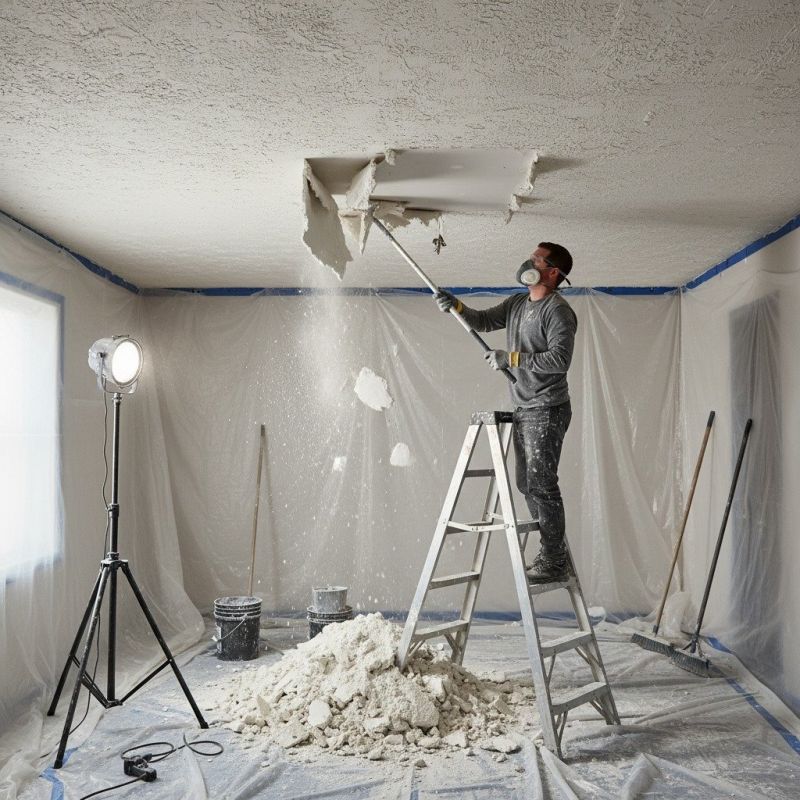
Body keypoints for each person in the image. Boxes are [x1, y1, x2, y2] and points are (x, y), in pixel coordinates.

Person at [434, 243, 578, 583]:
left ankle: (555, 560)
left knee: (543, 484)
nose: (528, 261)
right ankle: (550, 550)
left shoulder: (557, 311)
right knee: (525, 483)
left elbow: (560, 360)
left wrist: (511, 358)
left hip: (548, 408)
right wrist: (455, 306)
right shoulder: (517, 303)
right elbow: (483, 321)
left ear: (553, 271)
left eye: (536, 259)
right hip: (525, 407)